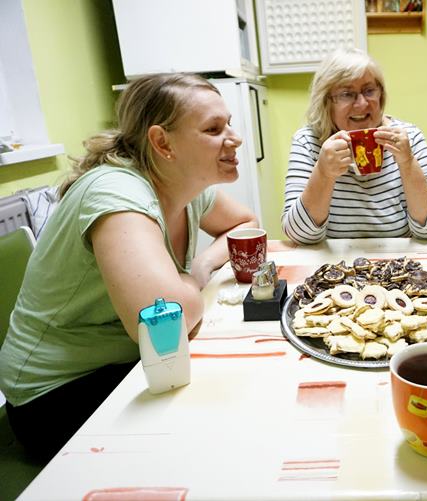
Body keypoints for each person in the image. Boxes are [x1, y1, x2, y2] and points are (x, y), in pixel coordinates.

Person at [0, 73, 258, 461]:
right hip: (56, 393)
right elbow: (164, 320)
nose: (234, 138)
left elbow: (246, 224)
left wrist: (201, 266)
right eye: (213, 129)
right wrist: (188, 286)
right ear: (162, 143)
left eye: (229, 125)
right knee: (221, 422)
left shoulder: (185, 188)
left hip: (133, 361)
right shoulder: (115, 192)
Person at [282, 47, 427, 244]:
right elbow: (299, 235)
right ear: (326, 102)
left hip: (397, 261)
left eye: (369, 91)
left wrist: (407, 163)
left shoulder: (409, 138)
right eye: (347, 94)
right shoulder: (308, 141)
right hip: (333, 262)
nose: (362, 104)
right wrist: (323, 173)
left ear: (381, 95)